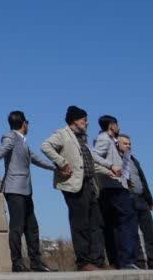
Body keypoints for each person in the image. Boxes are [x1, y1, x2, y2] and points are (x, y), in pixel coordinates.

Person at [41, 106, 116, 272]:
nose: (87, 123)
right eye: (84, 120)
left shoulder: (82, 139)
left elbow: (90, 164)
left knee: (96, 223)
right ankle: (83, 262)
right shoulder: (62, 134)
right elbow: (45, 146)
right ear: (75, 120)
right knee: (80, 223)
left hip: (90, 184)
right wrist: (62, 163)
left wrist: (109, 171)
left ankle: (98, 260)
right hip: (74, 185)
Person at [0, 110, 56, 272]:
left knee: (32, 227)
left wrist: (56, 168)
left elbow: (36, 159)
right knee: (17, 227)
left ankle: (36, 263)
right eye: (28, 123)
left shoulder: (23, 142)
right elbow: (3, 149)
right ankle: (17, 263)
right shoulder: (10, 137)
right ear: (24, 124)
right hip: (14, 189)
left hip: (25, 190)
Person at [94, 115, 139, 269]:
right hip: (114, 188)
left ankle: (118, 261)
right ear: (112, 125)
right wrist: (111, 166)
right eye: (117, 124)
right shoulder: (104, 139)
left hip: (113, 187)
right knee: (128, 221)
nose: (118, 127)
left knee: (113, 225)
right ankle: (127, 260)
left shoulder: (111, 141)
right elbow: (94, 155)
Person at [118, 134, 153, 270]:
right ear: (118, 144)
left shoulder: (134, 160)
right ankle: (139, 261)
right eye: (125, 143)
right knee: (133, 232)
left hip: (142, 199)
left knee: (149, 232)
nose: (128, 146)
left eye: (129, 144)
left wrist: (149, 200)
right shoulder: (117, 159)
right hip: (128, 198)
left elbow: (143, 180)